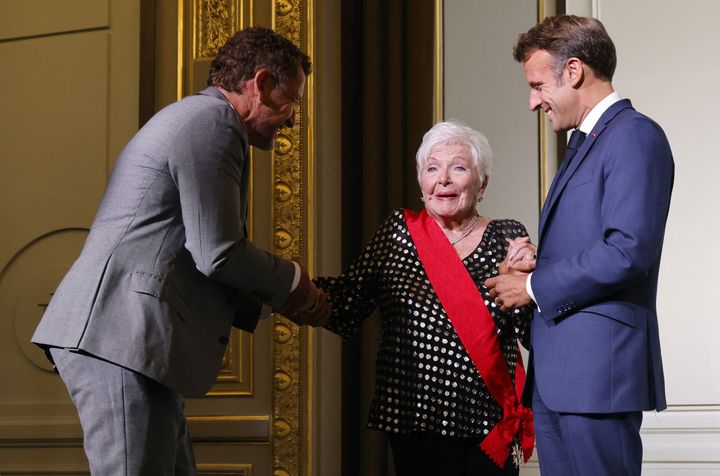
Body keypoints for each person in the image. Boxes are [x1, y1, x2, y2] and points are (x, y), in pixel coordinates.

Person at [31, 27, 330, 474]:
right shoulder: (212, 122)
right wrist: (292, 283)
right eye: (293, 103)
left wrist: (284, 300)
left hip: (136, 341)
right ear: (262, 82)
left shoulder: (202, 120)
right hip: (121, 336)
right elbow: (219, 251)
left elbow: (193, 254)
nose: (291, 120)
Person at [485, 15, 674, 476]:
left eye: (536, 85)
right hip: (562, 377)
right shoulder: (587, 142)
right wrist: (536, 261)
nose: (533, 102)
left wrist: (533, 285)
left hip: (597, 378)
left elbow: (628, 250)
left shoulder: (634, 135)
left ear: (572, 72)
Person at [315, 121, 535, 476]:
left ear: (483, 184)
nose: (443, 179)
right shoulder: (399, 233)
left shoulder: (507, 236)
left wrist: (527, 284)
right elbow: (347, 304)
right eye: (432, 168)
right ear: (421, 182)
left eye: (459, 168)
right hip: (415, 419)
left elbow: (531, 332)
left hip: (490, 423)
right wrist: (282, 287)